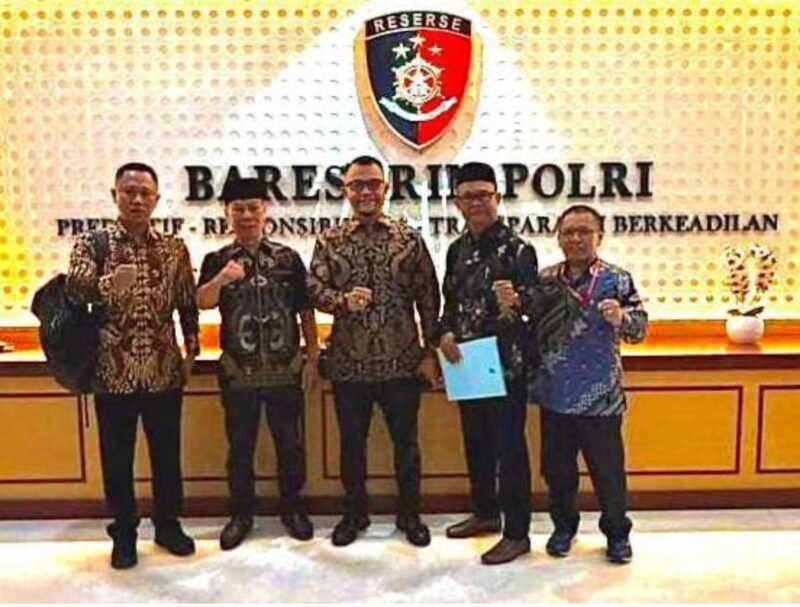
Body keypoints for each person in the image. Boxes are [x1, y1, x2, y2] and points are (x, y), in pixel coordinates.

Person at [66, 162, 199, 569]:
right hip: (113, 370)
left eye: (145, 193)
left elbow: (186, 301)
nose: (137, 199)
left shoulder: (173, 247)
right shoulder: (93, 243)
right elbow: (74, 289)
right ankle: (123, 533)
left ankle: (168, 525)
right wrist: (108, 285)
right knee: (117, 458)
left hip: (164, 368)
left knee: (166, 454)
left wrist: (192, 350)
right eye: (129, 192)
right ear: (115, 196)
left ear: (156, 199)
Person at [308, 155, 440, 548]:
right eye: (356, 185)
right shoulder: (329, 240)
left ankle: (410, 515)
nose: (365, 191)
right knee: (351, 446)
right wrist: (341, 300)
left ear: (386, 188)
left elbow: (428, 297)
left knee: (406, 445)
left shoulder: (408, 239)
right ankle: (354, 514)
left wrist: (430, 352)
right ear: (345, 190)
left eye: (372, 184)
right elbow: (312, 289)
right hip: (349, 364)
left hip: (402, 362)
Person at [197, 178, 318, 550]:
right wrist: (222, 279)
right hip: (238, 372)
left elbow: (305, 309)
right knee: (240, 448)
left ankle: (292, 509)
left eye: (253, 207)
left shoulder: (288, 258)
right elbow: (201, 302)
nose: (246, 215)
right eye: (238, 209)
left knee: (290, 445)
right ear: (227, 213)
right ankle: (241, 514)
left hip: (285, 370)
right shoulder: (217, 259)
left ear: (265, 210)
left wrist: (312, 357)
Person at [533, 204, 648, 565]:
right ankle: (563, 529)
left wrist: (622, 317)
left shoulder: (617, 280)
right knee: (557, 471)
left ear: (600, 236)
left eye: (584, 231)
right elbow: (529, 326)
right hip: (555, 393)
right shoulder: (546, 279)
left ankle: (617, 535)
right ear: (558, 237)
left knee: (608, 473)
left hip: (601, 396)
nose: (576, 239)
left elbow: (640, 330)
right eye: (568, 232)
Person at [438, 162, 539, 565]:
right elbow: (449, 303)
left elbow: (536, 304)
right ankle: (485, 514)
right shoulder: (456, 250)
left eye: (484, 195)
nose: (476, 203)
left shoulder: (518, 250)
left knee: (509, 451)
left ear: (497, 198)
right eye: (468, 196)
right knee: (476, 444)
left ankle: (517, 534)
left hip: (505, 365)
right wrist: (444, 334)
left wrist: (517, 301)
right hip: (466, 364)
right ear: (457, 203)